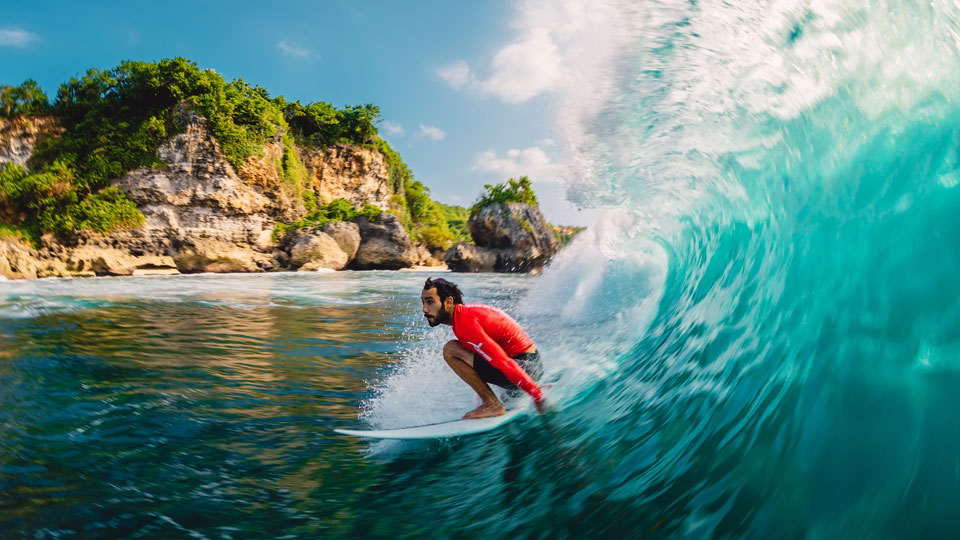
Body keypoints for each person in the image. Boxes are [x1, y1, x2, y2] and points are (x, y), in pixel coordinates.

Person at [421, 277, 547, 419]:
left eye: (430, 302)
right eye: (424, 302)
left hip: (526, 366)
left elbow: (503, 362)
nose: (424, 309)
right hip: (532, 366)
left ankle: (493, 405)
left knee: (451, 349)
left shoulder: (466, 323)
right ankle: (500, 398)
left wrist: (537, 396)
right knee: (458, 348)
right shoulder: (463, 317)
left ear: (449, 302)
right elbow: (484, 357)